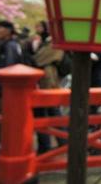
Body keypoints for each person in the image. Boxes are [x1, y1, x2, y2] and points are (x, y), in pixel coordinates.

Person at [32, 21, 67, 153]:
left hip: (49, 80)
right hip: (43, 79)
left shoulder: (54, 42)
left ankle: (62, 142)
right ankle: (48, 144)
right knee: (45, 112)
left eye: (40, 26)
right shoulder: (45, 41)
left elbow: (39, 59)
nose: (37, 29)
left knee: (53, 110)